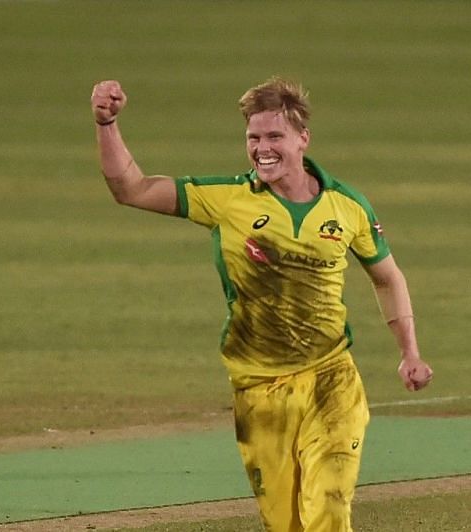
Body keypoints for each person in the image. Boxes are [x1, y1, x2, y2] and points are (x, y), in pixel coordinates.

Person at [91, 77, 433, 532]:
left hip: (330, 378)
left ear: (302, 139)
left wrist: (409, 350)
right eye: (254, 138)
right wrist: (107, 122)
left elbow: (387, 277)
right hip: (258, 388)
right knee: (285, 524)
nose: (262, 148)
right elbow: (130, 189)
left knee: (328, 506)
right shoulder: (226, 200)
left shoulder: (346, 207)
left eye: (275, 137)